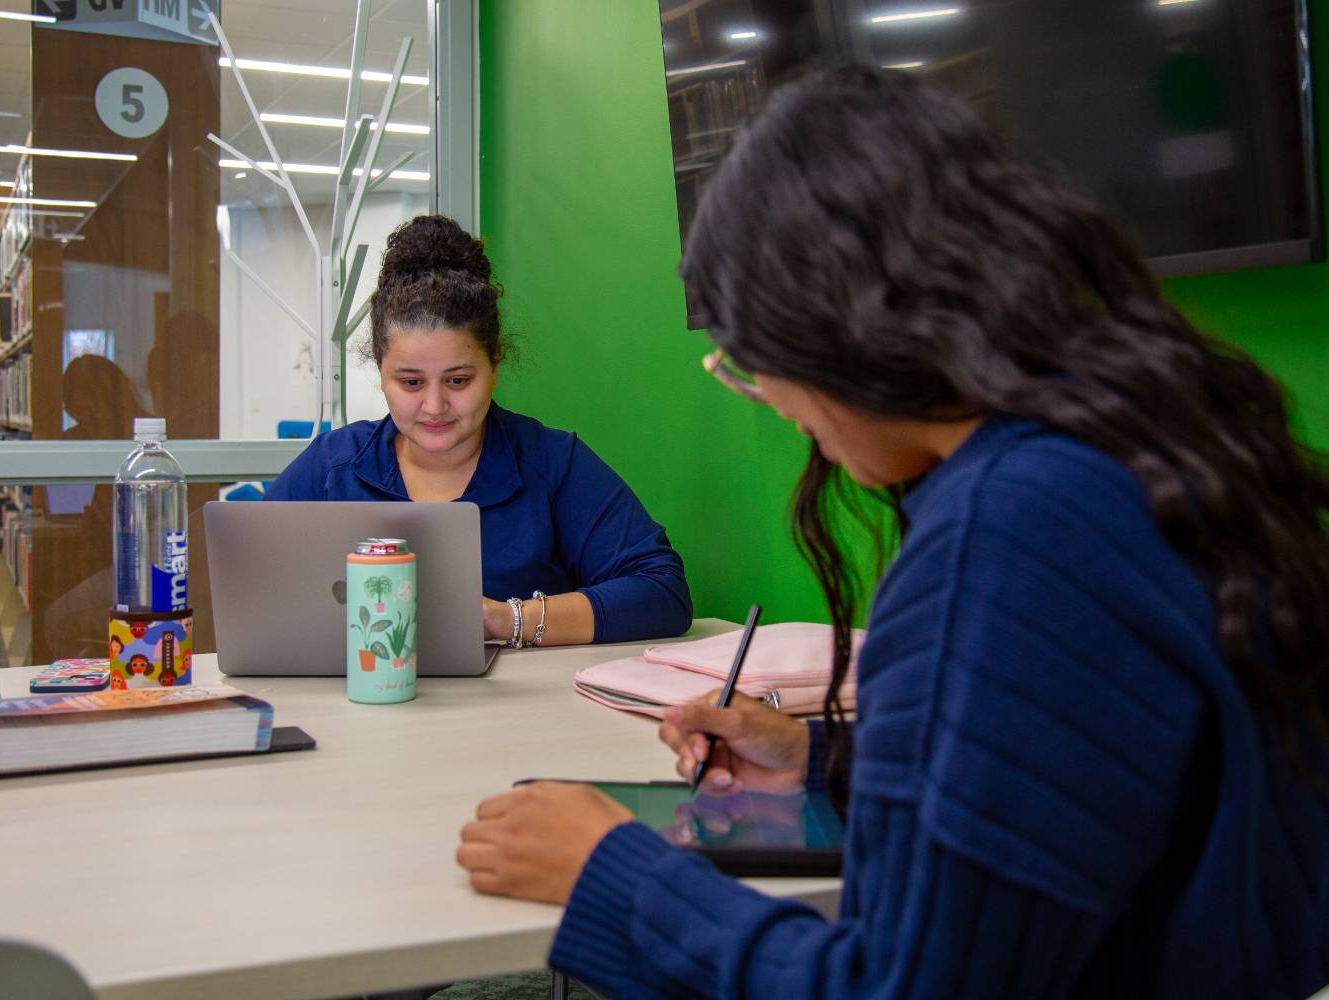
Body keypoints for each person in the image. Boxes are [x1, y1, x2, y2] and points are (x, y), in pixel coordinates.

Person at [455, 64, 1329, 998]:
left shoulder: (1005, 539)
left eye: (751, 363)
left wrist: (612, 875)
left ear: (836, 329)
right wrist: (824, 765)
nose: (783, 412)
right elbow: (1086, 796)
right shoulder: (1129, 452)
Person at [265, 215, 692, 647]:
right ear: (380, 371)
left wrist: (508, 619)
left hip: (522, 709)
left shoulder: (551, 463)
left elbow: (662, 592)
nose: (434, 406)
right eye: (410, 383)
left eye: (458, 381)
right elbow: (252, 583)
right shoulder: (331, 467)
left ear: (496, 366)